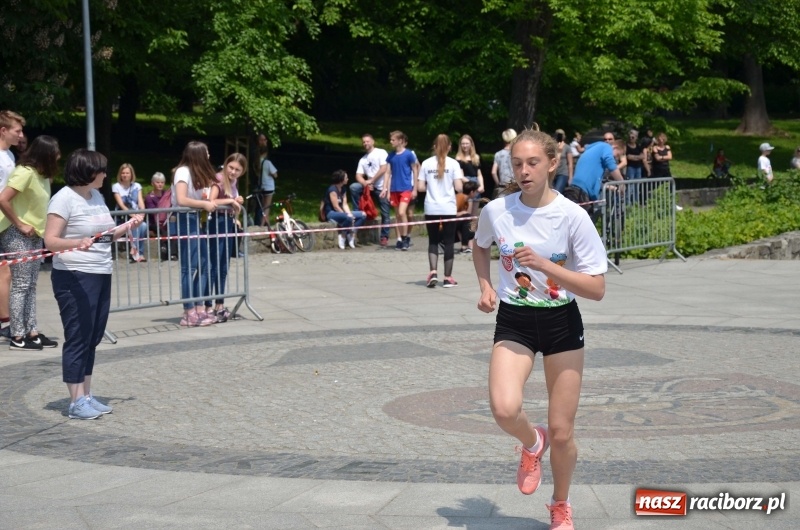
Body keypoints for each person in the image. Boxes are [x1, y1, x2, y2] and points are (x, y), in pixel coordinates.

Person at [472, 129, 607, 530]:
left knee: (563, 432)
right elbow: (480, 245)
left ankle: (560, 504)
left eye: (532, 163)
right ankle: (533, 443)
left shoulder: (572, 216)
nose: (524, 171)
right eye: (517, 163)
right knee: (504, 409)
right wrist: (485, 285)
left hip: (561, 322)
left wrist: (546, 266)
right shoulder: (497, 211)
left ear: (552, 163)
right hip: (514, 320)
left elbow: (596, 288)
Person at [44, 149, 145, 419]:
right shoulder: (63, 199)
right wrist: (76, 243)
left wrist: (128, 226)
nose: (105, 174)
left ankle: (86, 395)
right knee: (78, 335)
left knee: (93, 336)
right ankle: (75, 401)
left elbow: (104, 235)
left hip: (101, 271)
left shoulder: (96, 196)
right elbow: (50, 241)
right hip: (74, 274)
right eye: (101, 170)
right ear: (88, 172)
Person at [0, 135, 61, 351]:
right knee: (21, 284)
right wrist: (20, 224)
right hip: (17, 234)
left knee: (31, 284)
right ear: (46, 154)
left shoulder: (42, 176)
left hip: (35, 235)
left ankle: (31, 331)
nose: (59, 156)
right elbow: (3, 198)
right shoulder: (25, 172)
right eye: (55, 152)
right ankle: (17, 335)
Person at [171, 141, 217, 327]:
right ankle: (188, 311)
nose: (209, 155)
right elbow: (181, 199)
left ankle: (199, 307)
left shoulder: (198, 173)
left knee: (205, 265)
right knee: (189, 268)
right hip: (186, 219)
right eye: (206, 152)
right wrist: (204, 204)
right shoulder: (182, 172)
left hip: (197, 219)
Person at [417, 134, 464, 288]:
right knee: (449, 242)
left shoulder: (426, 163)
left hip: (431, 206)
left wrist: (432, 186)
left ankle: (433, 272)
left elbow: (420, 187)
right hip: (448, 206)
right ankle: (448, 277)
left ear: (434, 146)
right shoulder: (454, 164)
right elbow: (459, 188)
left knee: (433, 240)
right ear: (449, 147)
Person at [204, 153, 246, 322]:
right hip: (217, 222)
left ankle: (219, 305)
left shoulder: (233, 182)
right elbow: (212, 200)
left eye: (237, 170)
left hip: (228, 222)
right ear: (226, 165)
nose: (233, 172)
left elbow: (231, 202)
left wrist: (236, 202)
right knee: (214, 265)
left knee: (223, 266)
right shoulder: (219, 179)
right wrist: (230, 201)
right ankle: (207, 305)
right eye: (231, 167)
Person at [0, 110, 25, 338]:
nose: (21, 135)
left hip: (3, 222)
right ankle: (5, 323)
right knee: (5, 272)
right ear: (3, 131)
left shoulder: (8, 155)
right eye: (17, 131)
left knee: (5, 272)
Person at [350, 134, 390, 246]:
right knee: (354, 187)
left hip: (382, 186)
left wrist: (372, 180)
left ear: (373, 142)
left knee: (385, 213)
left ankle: (384, 237)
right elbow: (358, 175)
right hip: (369, 187)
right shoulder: (363, 159)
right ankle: (358, 212)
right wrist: (365, 184)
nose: (365, 143)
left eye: (367, 141)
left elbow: (384, 168)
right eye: (363, 142)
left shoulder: (381, 152)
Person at [570, 133, 624, 213]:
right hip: (582, 190)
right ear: (615, 147)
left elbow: (596, 181)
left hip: (577, 186)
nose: (616, 158)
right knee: (584, 218)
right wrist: (622, 183)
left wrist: (612, 188)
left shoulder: (595, 149)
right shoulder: (606, 147)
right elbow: (611, 164)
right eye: (618, 155)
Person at [384, 130, 419, 251]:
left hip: (405, 188)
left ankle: (405, 238)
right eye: (391, 139)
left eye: (393, 140)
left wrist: (415, 188)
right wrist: (386, 189)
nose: (391, 142)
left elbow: (415, 170)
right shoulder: (391, 155)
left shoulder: (408, 154)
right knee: (397, 215)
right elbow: (388, 173)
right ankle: (399, 239)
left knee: (402, 212)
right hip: (394, 188)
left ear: (400, 141)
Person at [112, 163, 149, 263]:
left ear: (131, 174)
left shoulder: (137, 186)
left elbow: (140, 202)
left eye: (127, 173)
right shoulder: (116, 186)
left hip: (136, 215)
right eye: (123, 173)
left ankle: (140, 252)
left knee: (143, 226)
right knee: (135, 225)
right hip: (123, 216)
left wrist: (142, 213)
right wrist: (133, 215)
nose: (125, 175)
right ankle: (135, 251)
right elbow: (121, 204)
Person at [324, 170, 366, 249]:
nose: (348, 179)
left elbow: (345, 204)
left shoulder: (343, 189)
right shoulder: (332, 190)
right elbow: (336, 207)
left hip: (341, 211)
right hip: (331, 213)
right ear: (341, 179)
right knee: (348, 217)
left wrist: (349, 214)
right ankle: (342, 236)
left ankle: (351, 233)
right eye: (346, 178)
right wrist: (347, 215)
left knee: (363, 215)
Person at [144, 172, 177, 261]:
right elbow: (153, 212)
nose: (160, 184)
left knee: (172, 227)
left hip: (167, 220)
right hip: (154, 222)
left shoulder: (167, 195)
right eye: (157, 182)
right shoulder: (149, 197)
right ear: (152, 183)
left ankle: (173, 253)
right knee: (164, 229)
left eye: (162, 182)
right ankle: (165, 249)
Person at [455, 135, 484, 217]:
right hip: (467, 185)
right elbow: (461, 176)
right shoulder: (458, 158)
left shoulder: (476, 157)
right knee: (467, 213)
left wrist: (481, 185)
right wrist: (473, 185)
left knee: (474, 214)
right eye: (463, 144)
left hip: (476, 183)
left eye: (467, 143)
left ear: (471, 144)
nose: (465, 146)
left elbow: (479, 174)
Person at [255, 147, 278, 228]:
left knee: (264, 205)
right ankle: (262, 224)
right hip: (269, 187)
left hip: (262, 186)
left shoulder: (258, 162)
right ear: (266, 153)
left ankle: (267, 223)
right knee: (267, 207)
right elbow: (275, 175)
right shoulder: (267, 162)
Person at [491, 128, 517, 197]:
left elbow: (493, 172)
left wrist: (498, 184)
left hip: (502, 186)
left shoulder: (498, 154)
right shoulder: (517, 153)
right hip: (515, 186)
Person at [455, 180, 479, 253]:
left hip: (457, 222)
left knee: (468, 219)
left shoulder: (466, 201)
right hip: (448, 223)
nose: (476, 194)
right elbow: (451, 213)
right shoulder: (459, 198)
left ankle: (470, 245)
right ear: (471, 192)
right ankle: (464, 245)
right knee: (467, 217)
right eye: (475, 192)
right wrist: (462, 213)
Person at [624, 130, 645, 203]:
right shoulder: (626, 146)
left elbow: (643, 156)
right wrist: (638, 157)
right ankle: (627, 203)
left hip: (638, 167)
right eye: (630, 137)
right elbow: (628, 157)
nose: (631, 138)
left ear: (636, 137)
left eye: (633, 137)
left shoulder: (638, 146)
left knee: (637, 186)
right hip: (630, 167)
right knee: (630, 186)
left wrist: (634, 157)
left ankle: (636, 203)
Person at [552, 129, 573, 193]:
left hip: (563, 173)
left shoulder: (567, 147)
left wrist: (570, 177)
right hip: (552, 173)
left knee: (557, 191)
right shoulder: (552, 147)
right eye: (558, 135)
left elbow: (570, 163)